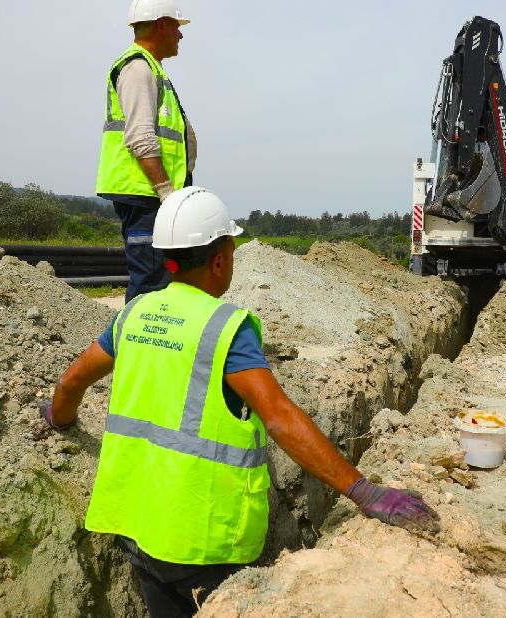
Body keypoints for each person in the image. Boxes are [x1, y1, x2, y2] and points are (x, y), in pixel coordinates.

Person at [38, 187, 439, 617]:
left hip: (136, 528)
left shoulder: (132, 314)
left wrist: (59, 419)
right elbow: (280, 417)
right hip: (204, 545)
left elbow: (72, 381)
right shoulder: (224, 328)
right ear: (219, 260)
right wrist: (364, 491)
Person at [97, 0, 198, 302]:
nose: (181, 34)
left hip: (152, 195)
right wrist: (166, 191)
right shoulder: (138, 68)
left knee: (161, 282)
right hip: (147, 195)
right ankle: (133, 335)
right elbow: (140, 137)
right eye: (176, 26)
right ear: (161, 25)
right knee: (151, 285)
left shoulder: (151, 68)